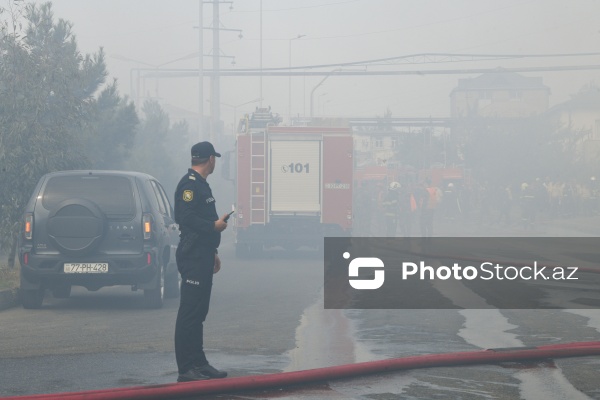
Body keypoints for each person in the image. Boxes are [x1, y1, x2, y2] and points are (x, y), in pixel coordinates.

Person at [174, 141, 230, 382]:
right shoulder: (189, 185)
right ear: (210, 159)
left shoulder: (201, 185)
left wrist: (213, 251)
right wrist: (213, 226)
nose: (215, 161)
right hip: (193, 255)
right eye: (214, 158)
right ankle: (186, 368)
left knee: (199, 311)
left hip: (204, 252)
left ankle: (199, 363)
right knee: (189, 312)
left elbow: (199, 218)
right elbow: (184, 217)